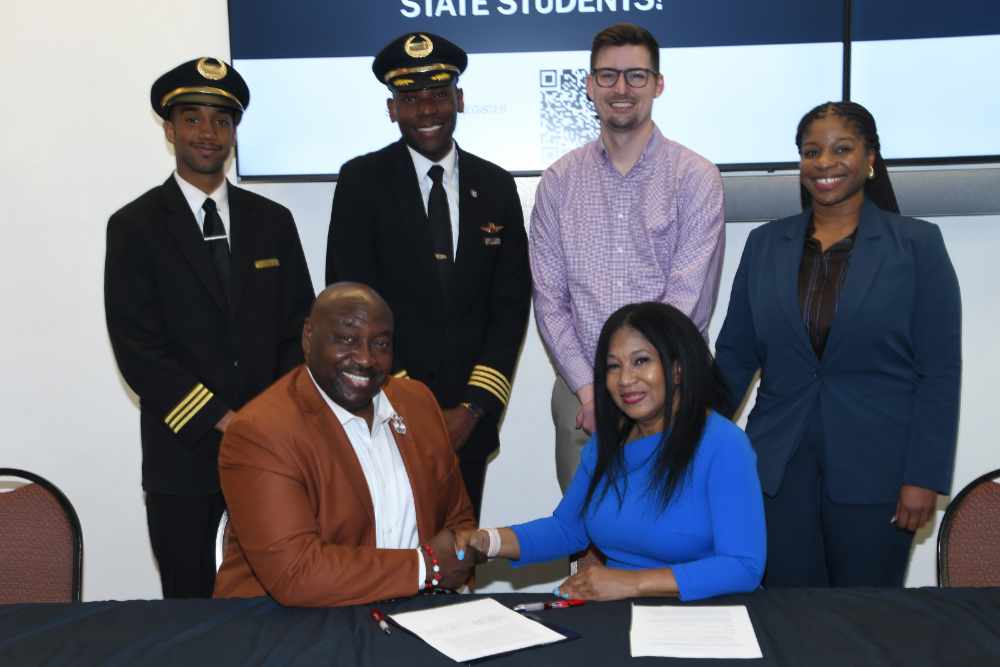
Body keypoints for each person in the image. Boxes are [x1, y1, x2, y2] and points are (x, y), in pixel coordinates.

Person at [715, 101, 962, 588]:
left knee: (866, 623)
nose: (824, 163)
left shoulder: (917, 245)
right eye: (811, 151)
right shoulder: (765, 244)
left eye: (841, 148)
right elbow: (734, 357)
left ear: (871, 157)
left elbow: (940, 372)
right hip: (776, 471)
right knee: (786, 619)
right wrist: (682, 440)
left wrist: (925, 476)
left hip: (880, 474)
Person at [104, 57, 315, 598]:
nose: (208, 133)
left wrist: (268, 420)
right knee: (190, 603)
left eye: (221, 121)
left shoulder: (273, 222)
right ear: (170, 129)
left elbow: (302, 333)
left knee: (282, 599)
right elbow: (137, 349)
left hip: (273, 451)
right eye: (193, 118)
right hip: (184, 454)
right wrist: (224, 420)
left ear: (234, 133)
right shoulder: (134, 226)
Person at [326, 32, 531, 519]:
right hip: (384, 412)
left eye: (438, 95)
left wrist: (473, 407)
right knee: (392, 560)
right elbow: (348, 305)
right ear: (391, 108)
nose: (427, 111)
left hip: (470, 418)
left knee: (460, 557)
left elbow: (510, 309)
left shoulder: (496, 185)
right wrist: (406, 402)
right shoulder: (361, 183)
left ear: (459, 99)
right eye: (410, 99)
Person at [456, 303, 765, 602]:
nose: (625, 379)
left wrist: (630, 584)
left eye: (641, 361)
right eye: (613, 366)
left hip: (703, 618)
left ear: (678, 368)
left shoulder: (725, 446)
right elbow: (566, 529)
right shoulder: (607, 444)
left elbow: (742, 566)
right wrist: (487, 541)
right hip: (618, 614)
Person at [530, 23, 726, 492]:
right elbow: (549, 299)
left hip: (674, 387)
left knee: (677, 538)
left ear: (658, 84)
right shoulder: (558, 182)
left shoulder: (695, 177)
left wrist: (640, 378)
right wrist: (589, 387)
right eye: (608, 76)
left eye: (636, 76)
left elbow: (688, 295)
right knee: (589, 540)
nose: (622, 89)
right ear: (589, 85)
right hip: (583, 394)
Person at [213, 284, 477, 606]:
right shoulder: (261, 433)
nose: (366, 359)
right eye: (347, 340)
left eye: (380, 344)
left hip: (410, 616)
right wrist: (425, 567)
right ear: (308, 337)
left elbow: (457, 518)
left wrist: (459, 555)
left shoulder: (417, 402)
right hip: (287, 628)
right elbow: (298, 573)